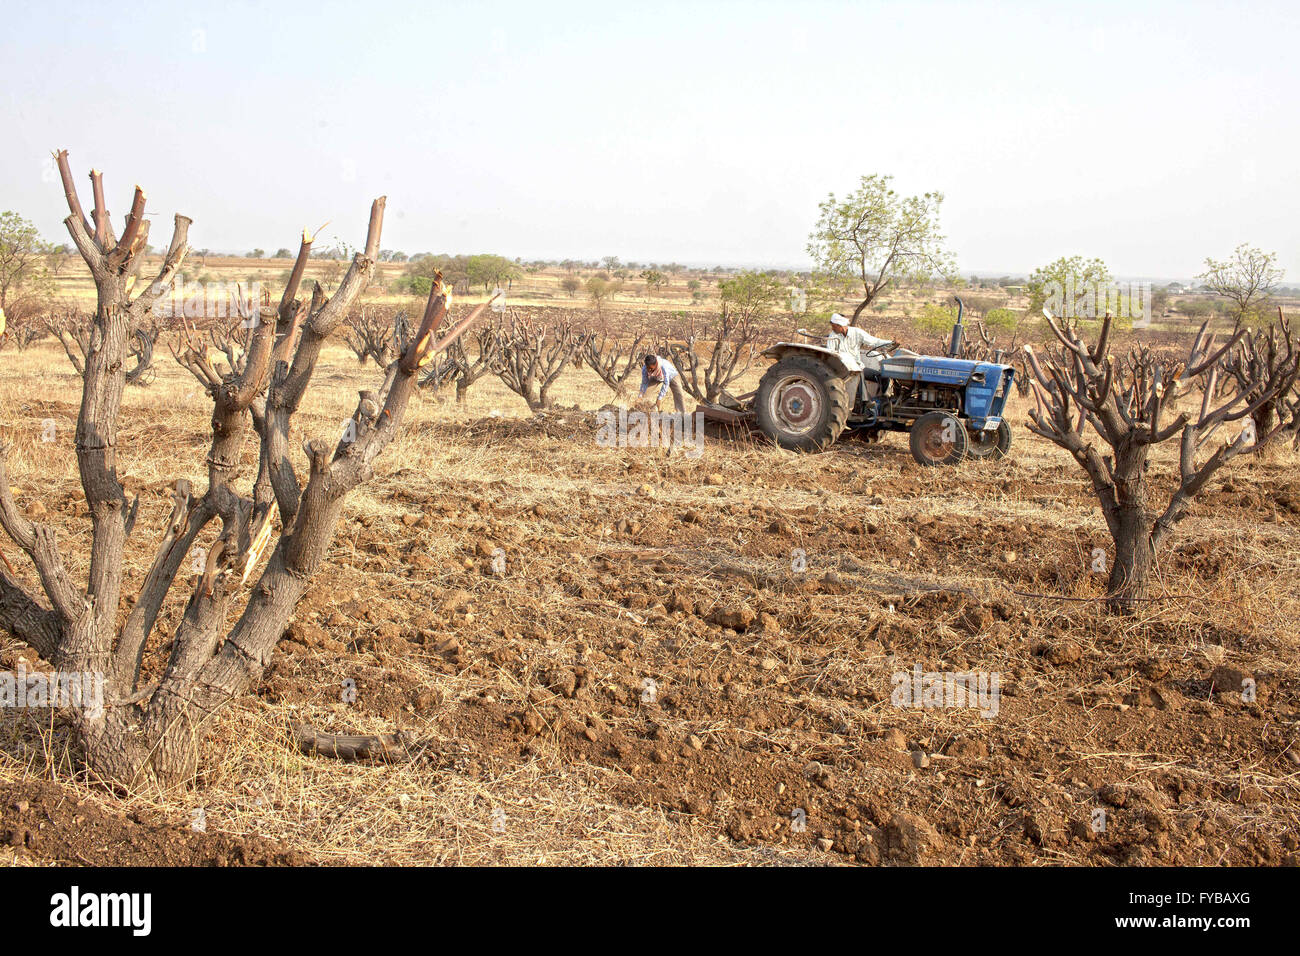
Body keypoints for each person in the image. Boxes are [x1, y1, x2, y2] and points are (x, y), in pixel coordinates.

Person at [826, 312, 892, 371]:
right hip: (842, 369)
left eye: (833, 326)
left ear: (839, 325)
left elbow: (875, 342)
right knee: (860, 381)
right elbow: (830, 352)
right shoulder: (833, 336)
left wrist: (891, 343)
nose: (832, 328)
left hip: (857, 367)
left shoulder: (857, 332)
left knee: (881, 377)